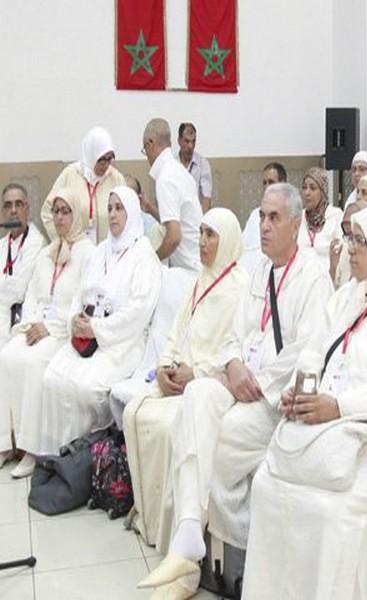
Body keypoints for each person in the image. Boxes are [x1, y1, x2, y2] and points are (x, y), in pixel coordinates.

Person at [138, 183, 333, 598]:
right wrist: (233, 365)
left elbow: (309, 349)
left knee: (220, 441)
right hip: (241, 379)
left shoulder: (313, 277)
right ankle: (191, 530)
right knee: (195, 398)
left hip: (276, 399)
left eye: (274, 218)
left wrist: (257, 381)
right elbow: (236, 335)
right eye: (261, 216)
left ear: (296, 225)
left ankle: (236, 557)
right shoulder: (260, 269)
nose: (263, 226)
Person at [241, 205, 367, 598]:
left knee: (332, 514)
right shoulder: (347, 296)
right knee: (265, 485)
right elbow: (314, 352)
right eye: (350, 238)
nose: (350, 249)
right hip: (327, 430)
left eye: (361, 241)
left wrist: (340, 406)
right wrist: (301, 389)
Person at [122, 208, 247, 551]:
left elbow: (236, 349)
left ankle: (173, 528)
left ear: (229, 241)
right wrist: (164, 367)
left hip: (207, 384)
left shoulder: (241, 288)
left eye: (211, 235)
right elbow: (175, 332)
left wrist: (198, 373)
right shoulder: (198, 280)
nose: (202, 242)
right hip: (177, 377)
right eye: (201, 233)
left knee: (165, 427)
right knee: (134, 411)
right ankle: (147, 512)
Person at [35, 186, 160, 456]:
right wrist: (77, 320)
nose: (113, 214)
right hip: (86, 338)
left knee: (87, 389)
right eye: (110, 208)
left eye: (119, 208)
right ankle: (55, 457)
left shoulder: (144, 255)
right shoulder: (101, 249)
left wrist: (97, 328)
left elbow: (139, 311)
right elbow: (79, 293)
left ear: (133, 212)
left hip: (120, 343)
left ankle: (83, 461)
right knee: (52, 377)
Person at [0, 189, 92, 475]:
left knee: (32, 362)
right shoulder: (49, 251)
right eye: (57, 211)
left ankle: (30, 448)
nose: (60, 217)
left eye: (66, 211)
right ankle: (5, 442)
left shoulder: (86, 252)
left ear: (76, 214)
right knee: (7, 355)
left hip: (61, 333)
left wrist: (47, 328)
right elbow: (31, 296)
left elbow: (82, 304)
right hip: (36, 326)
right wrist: (28, 325)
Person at [41, 126, 126, 244]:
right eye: (101, 159)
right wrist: (62, 243)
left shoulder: (116, 178)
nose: (106, 164)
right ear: (91, 154)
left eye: (109, 159)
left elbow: (128, 215)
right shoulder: (70, 175)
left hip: (108, 252)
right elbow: (47, 212)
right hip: (75, 253)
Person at [142, 117, 203, 272]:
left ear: (150, 143)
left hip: (189, 269)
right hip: (198, 260)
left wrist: (152, 260)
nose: (146, 155)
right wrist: (150, 208)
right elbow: (175, 221)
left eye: (144, 149)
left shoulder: (165, 179)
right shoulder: (179, 171)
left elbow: (174, 237)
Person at [0, 183, 45, 348]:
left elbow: (19, 290)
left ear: (27, 209)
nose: (13, 210)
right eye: (7, 205)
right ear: (2, 212)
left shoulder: (37, 243)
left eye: (18, 204)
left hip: (18, 321)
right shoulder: (2, 245)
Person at [242, 161, 287, 270]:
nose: (267, 187)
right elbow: (243, 248)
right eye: (264, 183)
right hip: (253, 273)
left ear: (283, 184)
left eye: (271, 182)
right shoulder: (255, 215)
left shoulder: (289, 214)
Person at [298, 167, 342, 273]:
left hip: (327, 279)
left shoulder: (335, 216)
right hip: (302, 279)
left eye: (312, 188)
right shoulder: (299, 218)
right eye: (304, 188)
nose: (307, 193)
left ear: (322, 191)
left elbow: (339, 252)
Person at [330, 200, 367, 289]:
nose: (351, 247)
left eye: (357, 238)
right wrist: (333, 268)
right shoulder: (343, 251)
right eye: (348, 236)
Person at [177, 122, 213, 214]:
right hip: (176, 216)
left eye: (193, 141)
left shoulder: (203, 164)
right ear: (179, 141)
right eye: (187, 141)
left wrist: (202, 222)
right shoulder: (172, 164)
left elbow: (206, 197)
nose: (190, 146)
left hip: (197, 216)